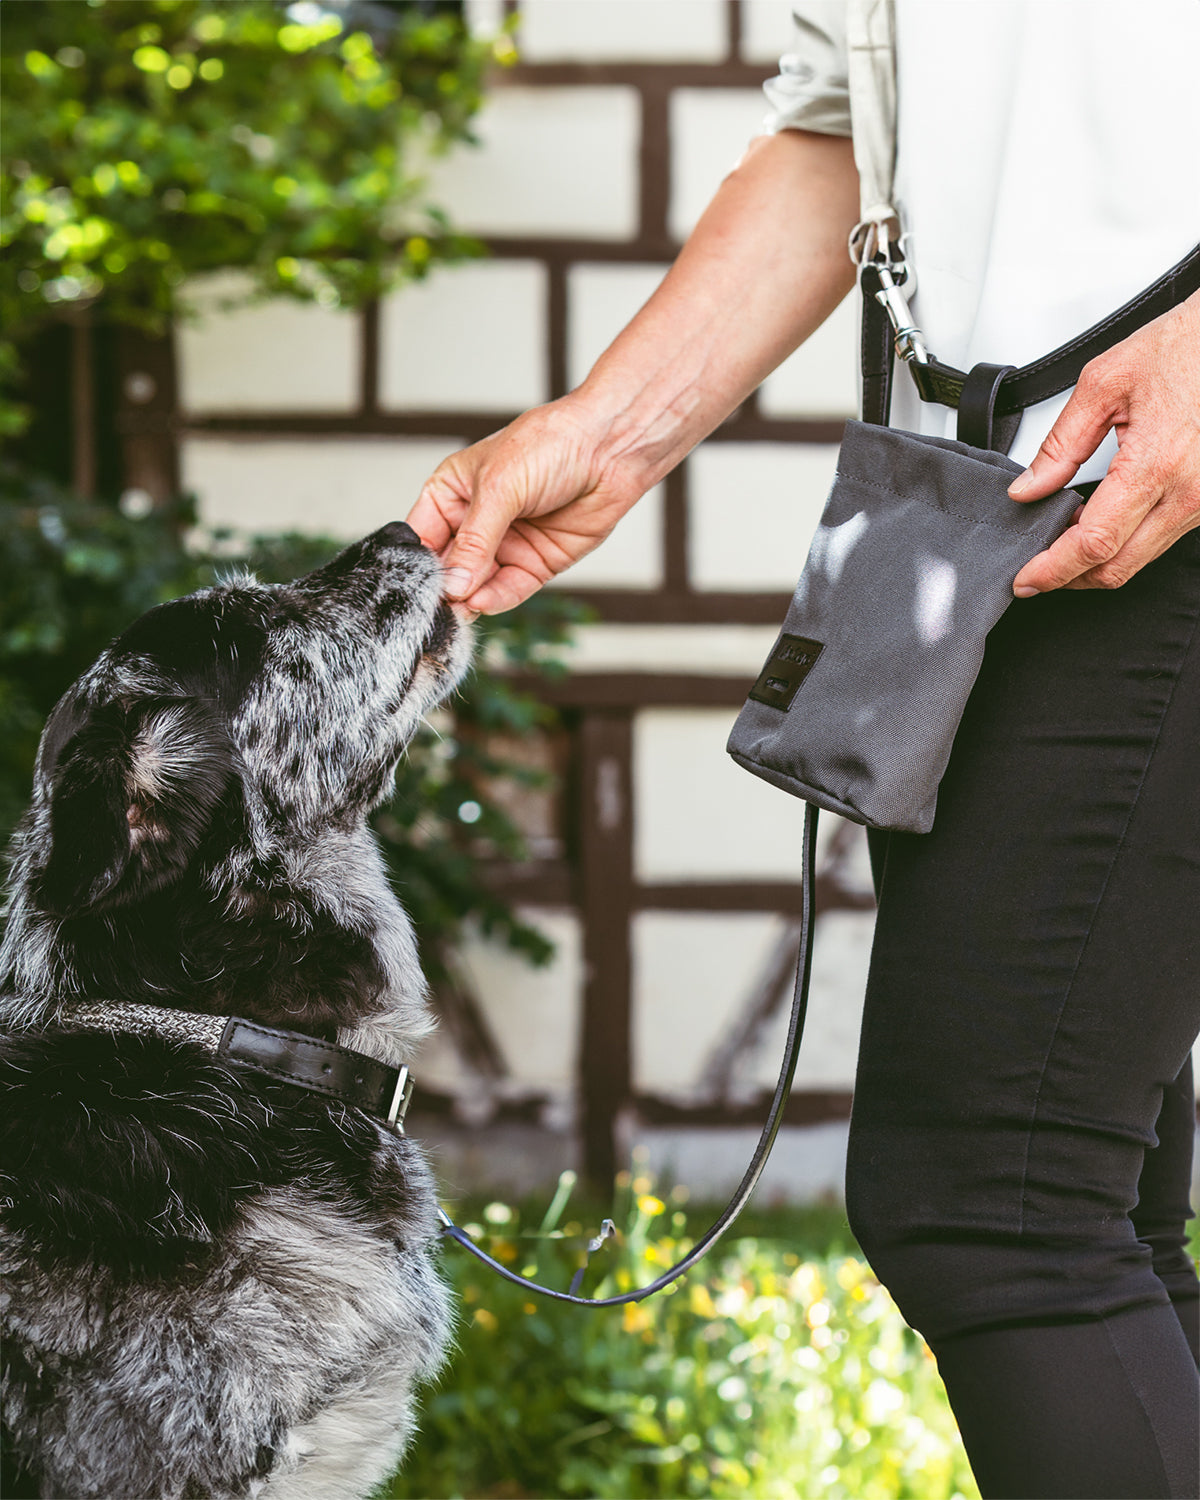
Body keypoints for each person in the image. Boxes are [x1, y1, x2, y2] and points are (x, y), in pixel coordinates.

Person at [409, 3, 1200, 1495]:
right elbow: (841, 128)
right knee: (1095, 1209)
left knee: (999, 1207)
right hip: (984, 526)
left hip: (1155, 516)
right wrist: (610, 431)